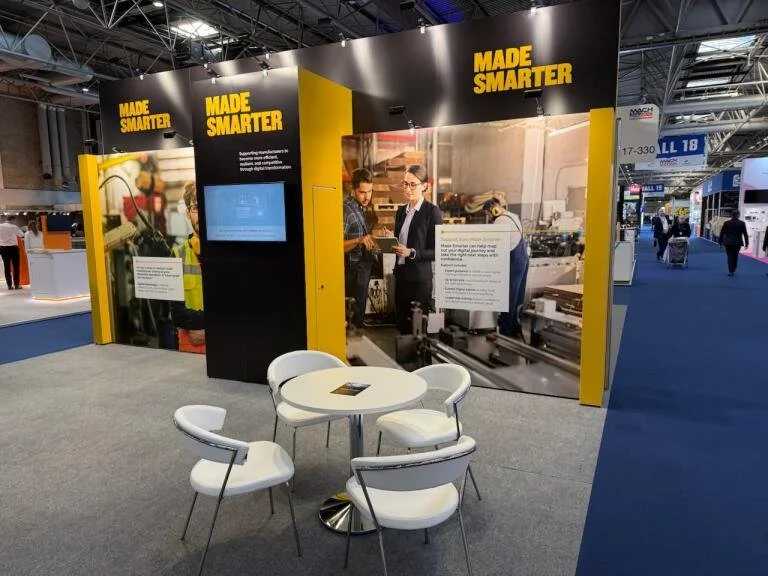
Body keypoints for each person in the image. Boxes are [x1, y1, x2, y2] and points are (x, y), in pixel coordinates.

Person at [393, 165, 442, 334]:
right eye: (405, 184)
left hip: (419, 281)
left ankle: (421, 361)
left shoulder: (432, 212)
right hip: (401, 277)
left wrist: (412, 252)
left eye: (413, 184)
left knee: (418, 329)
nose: (408, 189)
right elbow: (401, 243)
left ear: (424, 186)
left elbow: (438, 250)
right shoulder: (400, 212)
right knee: (402, 326)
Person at [483, 197, 529, 338]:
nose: (489, 217)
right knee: (517, 296)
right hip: (522, 259)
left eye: (488, 214)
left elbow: (496, 246)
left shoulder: (500, 221)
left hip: (514, 260)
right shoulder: (512, 216)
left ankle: (505, 330)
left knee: (508, 296)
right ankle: (515, 327)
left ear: (493, 210)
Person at [171, 182, 205, 353]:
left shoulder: (233, 253)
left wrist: (207, 326)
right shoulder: (177, 254)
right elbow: (175, 310)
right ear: (187, 213)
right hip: (191, 344)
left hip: (226, 340)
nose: (203, 214)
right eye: (197, 207)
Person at [343, 169, 376, 328]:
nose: (367, 197)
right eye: (362, 192)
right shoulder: (345, 209)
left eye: (370, 191)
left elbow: (361, 236)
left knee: (359, 316)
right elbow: (335, 246)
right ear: (353, 189)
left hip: (362, 268)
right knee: (353, 320)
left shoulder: (359, 207)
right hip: (353, 272)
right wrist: (359, 240)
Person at [718, 209, 749, 277]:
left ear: (731, 215)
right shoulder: (742, 223)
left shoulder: (726, 223)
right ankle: (734, 267)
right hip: (737, 242)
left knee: (729, 256)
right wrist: (747, 244)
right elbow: (745, 234)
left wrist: (720, 242)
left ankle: (730, 270)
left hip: (728, 242)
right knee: (735, 255)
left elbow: (722, 233)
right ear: (738, 215)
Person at [0, 215, 24, 290]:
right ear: (13, 220)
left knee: (6, 267)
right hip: (13, 248)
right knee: (16, 267)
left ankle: (9, 286)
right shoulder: (14, 226)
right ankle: (17, 285)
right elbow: (21, 235)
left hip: (3, 248)